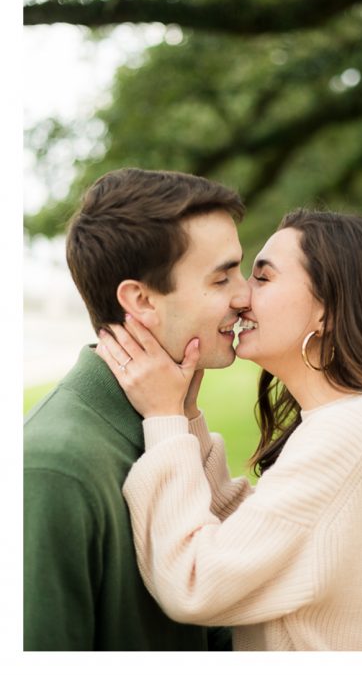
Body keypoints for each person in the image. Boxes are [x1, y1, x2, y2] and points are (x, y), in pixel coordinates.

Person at [94, 208, 362, 650]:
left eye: (262, 278)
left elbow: (194, 584)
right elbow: (261, 540)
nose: (240, 298)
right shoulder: (358, 422)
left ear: (327, 310)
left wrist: (163, 419)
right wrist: (186, 414)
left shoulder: (351, 434)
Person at [24, 168, 247, 650]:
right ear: (141, 300)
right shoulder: (52, 467)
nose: (245, 295)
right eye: (223, 277)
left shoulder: (167, 427)